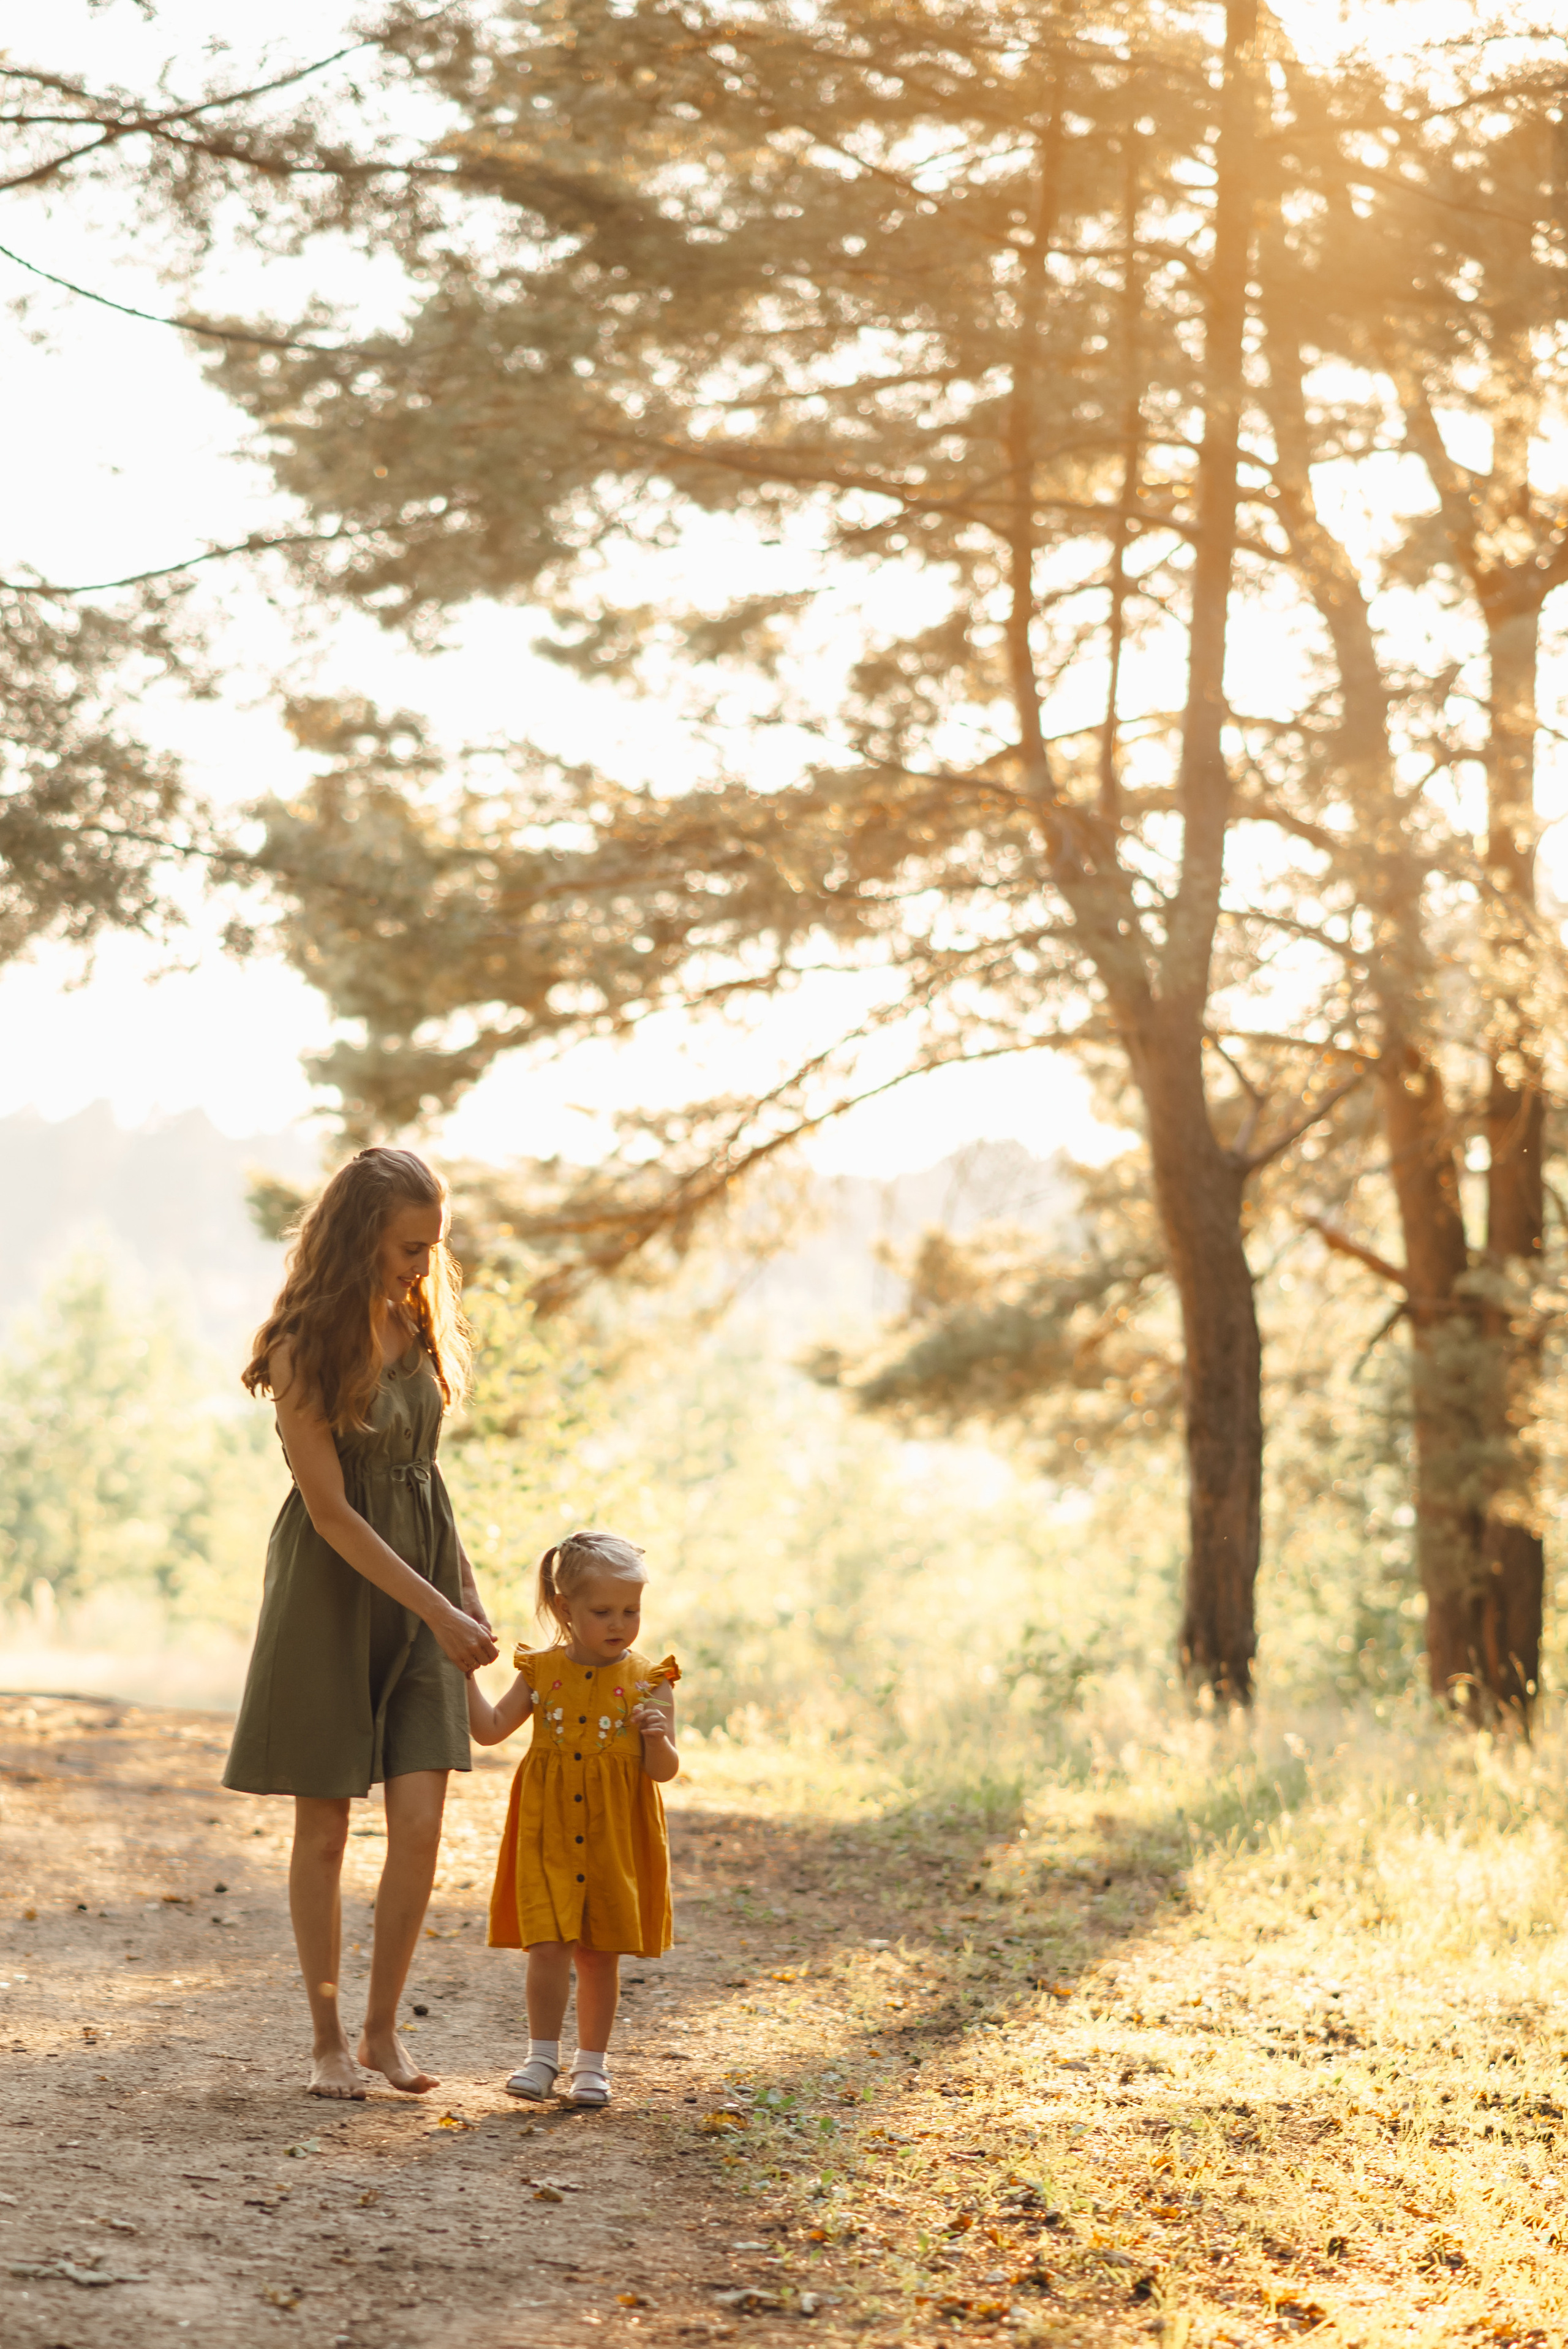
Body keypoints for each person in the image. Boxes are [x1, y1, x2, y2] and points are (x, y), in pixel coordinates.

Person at [223, 1145, 499, 2100]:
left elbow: (425, 1478)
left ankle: (384, 2031)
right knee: (328, 1826)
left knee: (421, 1819)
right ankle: (328, 2039)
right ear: (358, 1238)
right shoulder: (305, 1344)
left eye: (432, 1246)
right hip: (331, 1595)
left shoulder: (417, 1325)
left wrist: (466, 1596)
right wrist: (436, 1604)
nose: (423, 1265)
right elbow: (335, 1512)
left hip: (424, 1582)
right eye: (408, 1246)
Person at [466, 1529, 679, 2109]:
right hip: (549, 1828)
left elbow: (663, 1772)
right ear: (565, 1609)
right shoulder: (539, 1672)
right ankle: (540, 2058)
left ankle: (593, 2067)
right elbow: (487, 1730)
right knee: (549, 1944)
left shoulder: (652, 1680)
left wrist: (656, 1740)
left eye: (631, 1611)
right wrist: (460, 1672)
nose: (620, 1624)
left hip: (615, 1836)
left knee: (598, 1951)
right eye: (603, 1611)